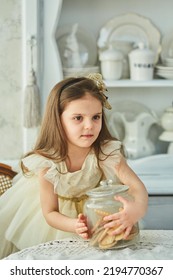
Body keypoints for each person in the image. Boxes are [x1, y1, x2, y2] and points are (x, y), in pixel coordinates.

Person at [0, 73, 148, 259]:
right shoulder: (48, 162)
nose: (89, 126)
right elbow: (49, 212)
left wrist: (137, 209)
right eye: (78, 118)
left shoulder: (106, 153)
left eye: (96, 117)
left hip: (99, 218)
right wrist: (74, 225)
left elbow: (137, 187)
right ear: (58, 120)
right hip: (59, 224)